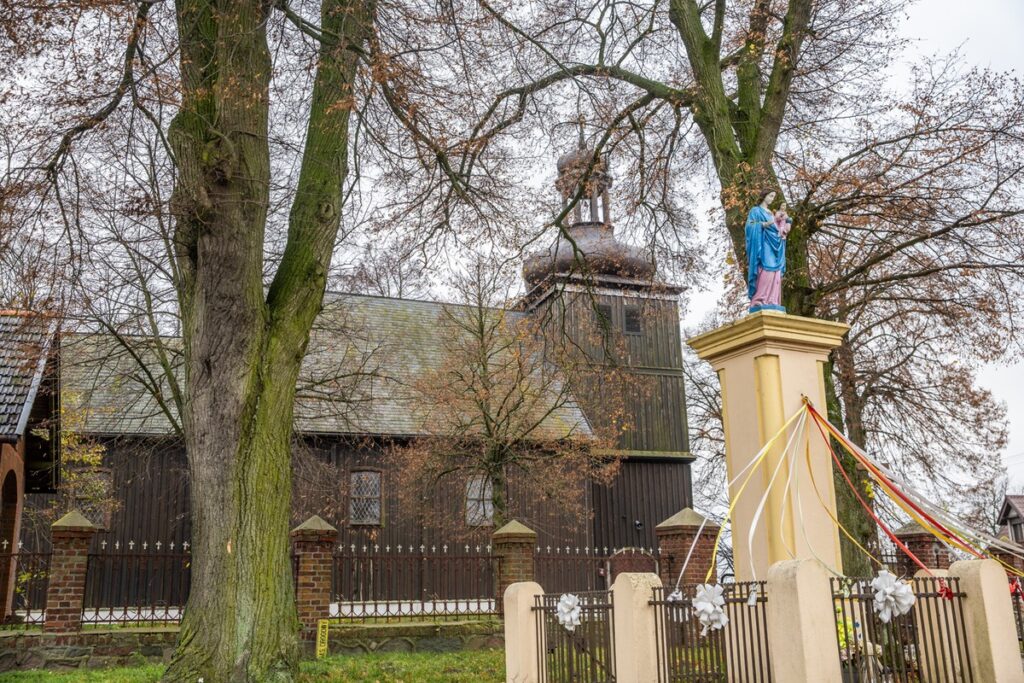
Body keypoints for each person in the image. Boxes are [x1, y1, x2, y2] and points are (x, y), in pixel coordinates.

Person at [745, 189, 788, 313]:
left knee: (776, 273)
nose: (772, 199)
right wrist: (764, 224)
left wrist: (782, 232)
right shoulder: (756, 211)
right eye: (770, 196)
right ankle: (759, 299)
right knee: (766, 270)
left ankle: (772, 300)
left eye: (773, 197)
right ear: (764, 196)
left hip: (776, 244)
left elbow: (777, 227)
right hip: (764, 244)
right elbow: (749, 226)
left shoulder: (771, 213)